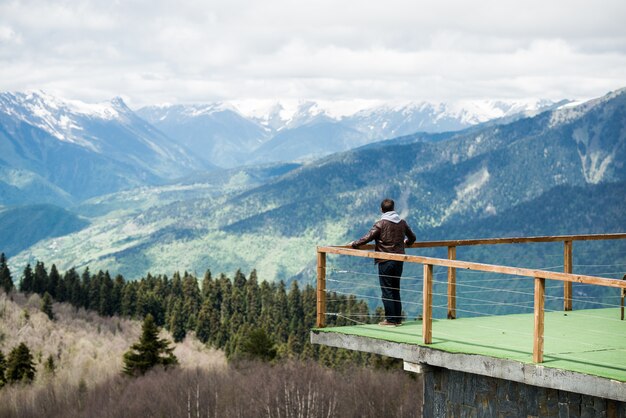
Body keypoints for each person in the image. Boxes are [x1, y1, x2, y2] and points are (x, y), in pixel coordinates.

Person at [350, 198, 416, 327]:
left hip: (385, 260)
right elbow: (412, 238)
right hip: (399, 260)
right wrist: (406, 243)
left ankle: (390, 320)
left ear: (381, 210)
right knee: (396, 288)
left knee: (387, 290)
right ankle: (397, 319)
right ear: (393, 209)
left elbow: (366, 238)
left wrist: (354, 244)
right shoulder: (402, 223)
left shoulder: (380, 224)